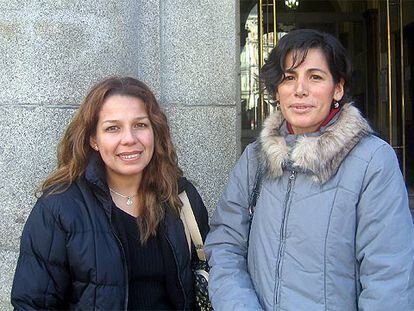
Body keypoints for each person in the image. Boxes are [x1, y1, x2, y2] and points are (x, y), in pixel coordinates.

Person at [205, 29, 414, 310]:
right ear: (277, 88)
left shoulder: (373, 161)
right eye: (289, 77)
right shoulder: (255, 158)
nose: (299, 89)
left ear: (337, 88)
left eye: (315, 77)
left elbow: (389, 278)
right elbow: (225, 244)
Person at [11, 76, 209, 310]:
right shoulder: (59, 206)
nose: (129, 139)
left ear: (155, 131)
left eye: (140, 125)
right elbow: (34, 303)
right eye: (113, 128)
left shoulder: (180, 198)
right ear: (93, 139)